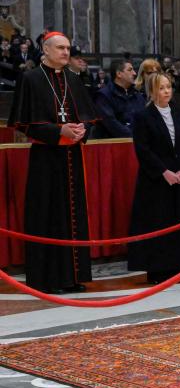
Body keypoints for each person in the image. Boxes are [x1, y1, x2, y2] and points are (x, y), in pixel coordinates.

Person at [8, 31, 98, 293]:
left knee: (73, 215)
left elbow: (89, 118)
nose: (66, 53)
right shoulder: (31, 79)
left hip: (73, 157)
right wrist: (59, 131)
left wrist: (82, 131)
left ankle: (72, 277)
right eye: (60, 48)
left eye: (68, 48)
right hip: (46, 160)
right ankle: (48, 279)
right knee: (48, 216)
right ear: (45, 50)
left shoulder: (73, 79)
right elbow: (24, 123)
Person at [128, 73, 180, 284]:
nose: (166, 91)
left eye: (168, 87)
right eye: (161, 88)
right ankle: (158, 270)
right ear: (152, 91)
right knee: (159, 223)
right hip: (156, 180)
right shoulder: (143, 116)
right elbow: (143, 150)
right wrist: (164, 172)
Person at [93, 59, 145, 138]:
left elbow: (145, 118)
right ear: (119, 74)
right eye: (130, 70)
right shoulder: (104, 96)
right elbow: (112, 124)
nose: (134, 73)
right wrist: (135, 137)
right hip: (115, 146)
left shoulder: (137, 95)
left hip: (139, 145)